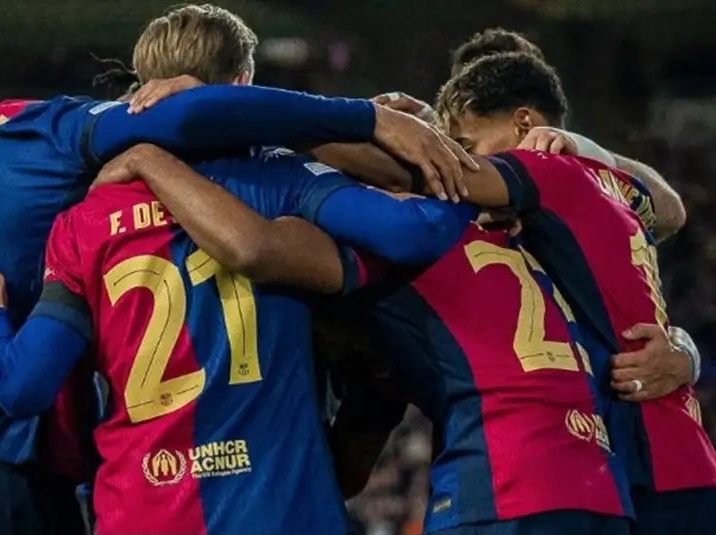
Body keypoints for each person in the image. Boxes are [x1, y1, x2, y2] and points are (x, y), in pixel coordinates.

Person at [0, 5, 477, 535]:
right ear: (243, 89)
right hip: (271, 506)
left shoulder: (75, 220)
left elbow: (18, 383)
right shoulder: (279, 180)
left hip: (128, 506)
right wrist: (452, 170)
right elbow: (411, 230)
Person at [85, 144, 647, 535]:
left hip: (500, 484)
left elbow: (255, 247)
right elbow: (659, 209)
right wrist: (682, 352)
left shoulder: (393, 251)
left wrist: (156, 159)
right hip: (603, 487)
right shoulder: (525, 237)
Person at [0, 142, 475, 534]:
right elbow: (408, 236)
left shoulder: (85, 221)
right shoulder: (282, 188)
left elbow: (27, 387)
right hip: (281, 511)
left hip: (140, 509)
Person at [434, 51, 716, 535]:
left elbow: (454, 179)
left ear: (526, 123)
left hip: (641, 451)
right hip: (658, 448)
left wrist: (373, 133)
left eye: (467, 143)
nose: (466, 156)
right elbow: (667, 210)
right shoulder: (605, 184)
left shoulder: (546, 171)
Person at [375, 27, 686, 239]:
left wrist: (587, 152)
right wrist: (424, 133)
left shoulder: (577, 173)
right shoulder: (449, 184)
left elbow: (669, 213)